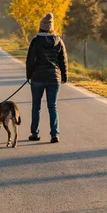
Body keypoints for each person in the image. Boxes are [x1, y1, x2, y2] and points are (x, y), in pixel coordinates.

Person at [26, 13, 68, 143]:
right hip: (54, 78)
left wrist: (29, 75)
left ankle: (35, 133)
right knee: (52, 106)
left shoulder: (36, 41)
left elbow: (30, 60)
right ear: (51, 27)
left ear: (41, 27)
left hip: (38, 78)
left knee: (36, 106)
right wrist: (64, 76)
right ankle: (54, 134)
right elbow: (63, 60)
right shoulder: (59, 41)